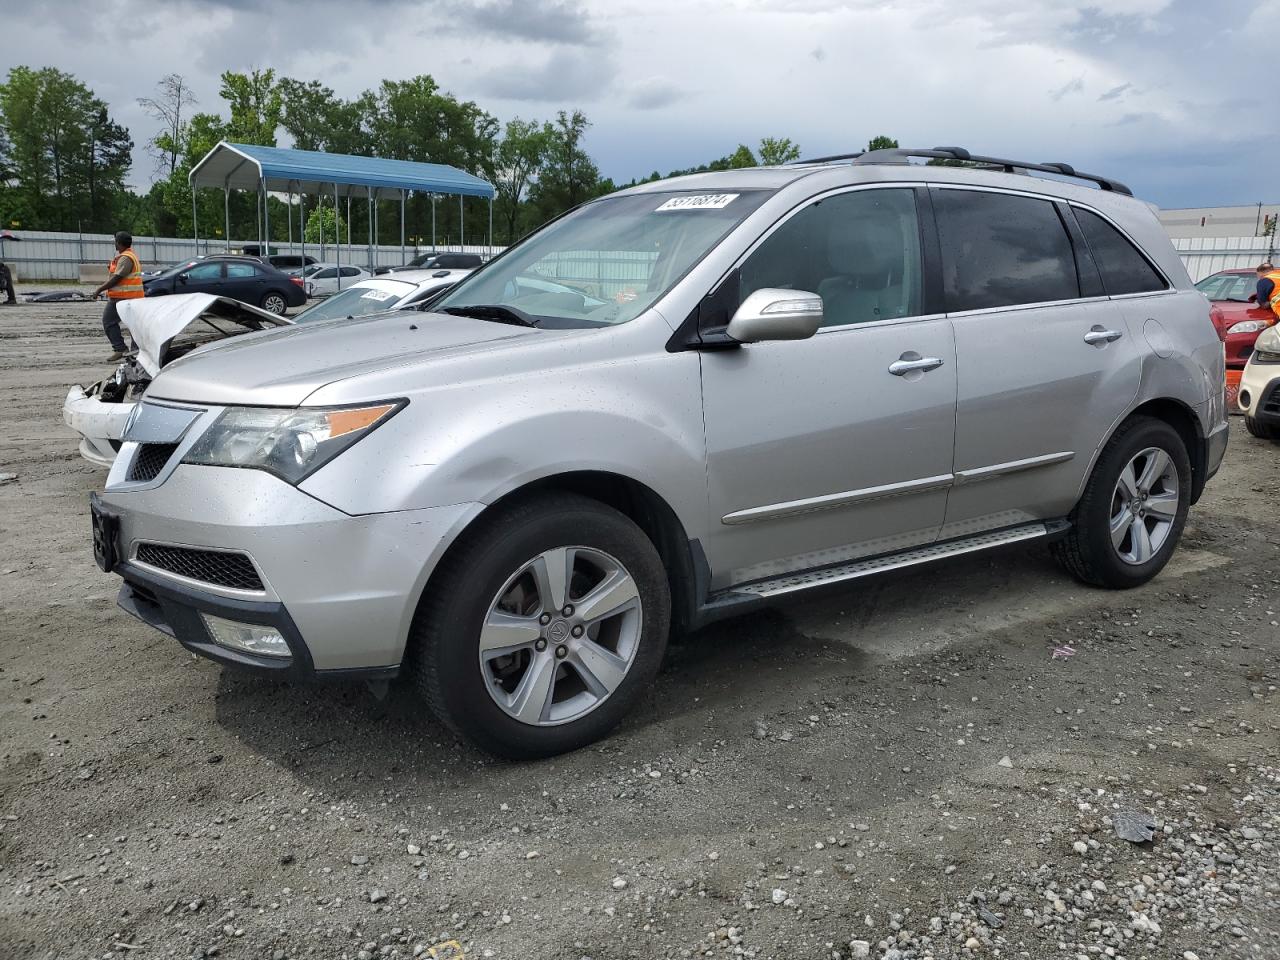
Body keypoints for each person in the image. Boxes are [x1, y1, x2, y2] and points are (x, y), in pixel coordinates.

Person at [92, 231, 144, 360]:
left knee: (109, 322)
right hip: (130, 297)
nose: (114, 244)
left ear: (119, 243)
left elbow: (117, 278)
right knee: (133, 325)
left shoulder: (126, 258)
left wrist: (99, 289)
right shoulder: (129, 256)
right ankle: (132, 351)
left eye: (115, 242)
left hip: (123, 298)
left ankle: (123, 349)